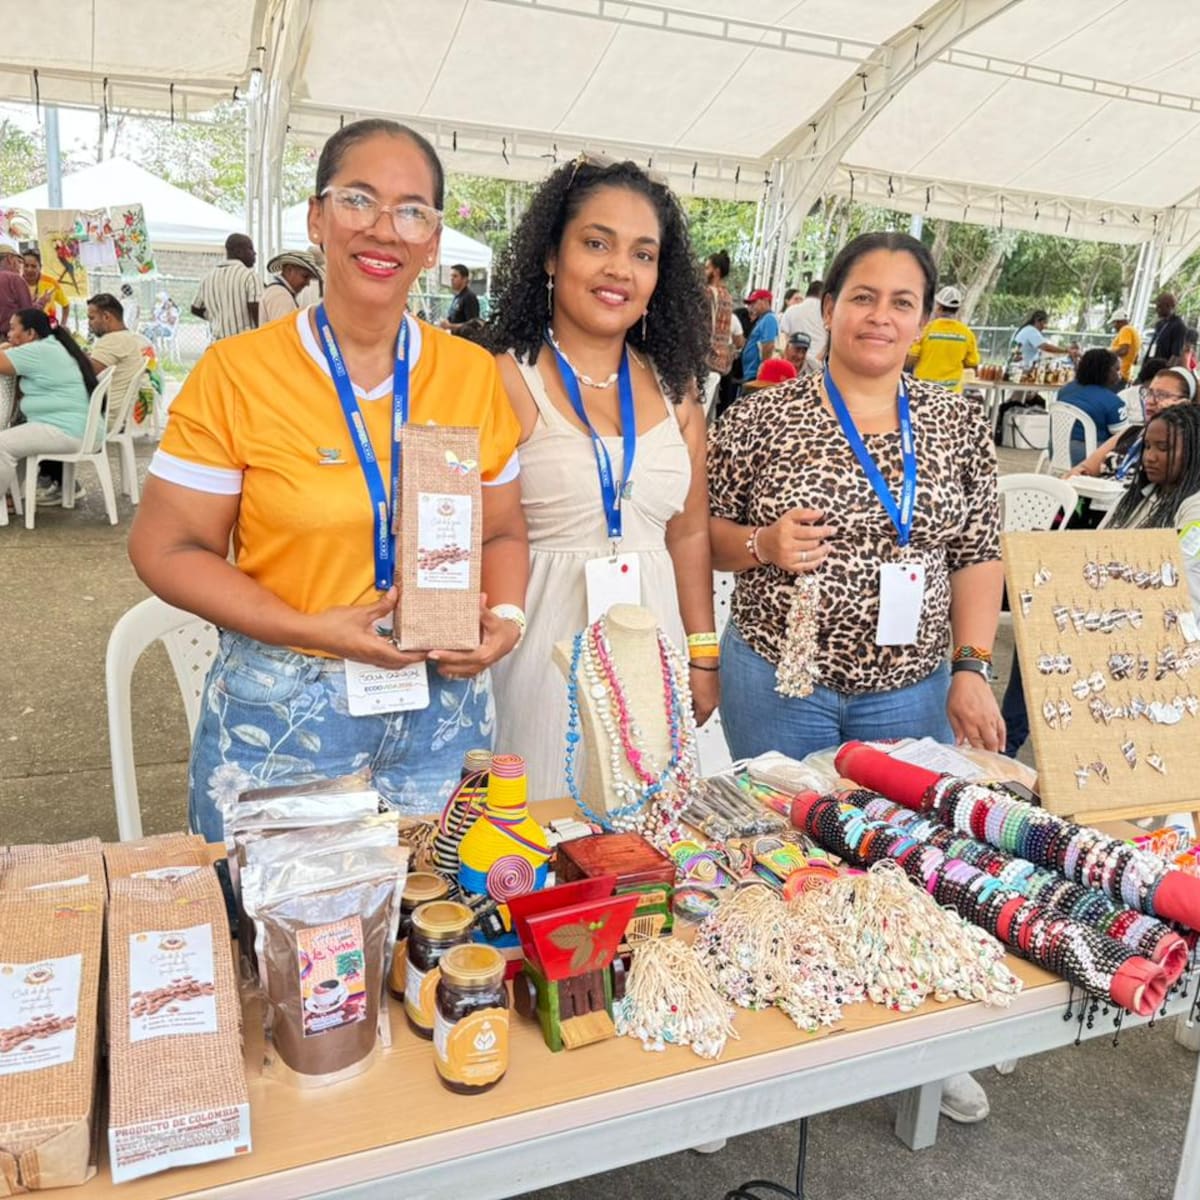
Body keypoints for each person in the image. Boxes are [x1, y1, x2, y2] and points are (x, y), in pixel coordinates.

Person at [129, 118, 528, 841]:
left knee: (440, 904)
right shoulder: (237, 374)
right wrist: (311, 628)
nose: (384, 229)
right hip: (286, 708)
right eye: (358, 200)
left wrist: (505, 619)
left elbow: (501, 531)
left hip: (442, 709)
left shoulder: (471, 374)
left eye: (412, 211)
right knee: (279, 912)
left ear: (433, 242)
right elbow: (167, 548)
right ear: (317, 218)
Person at [709, 231, 1002, 1124]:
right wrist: (761, 544)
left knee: (906, 861)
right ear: (828, 307)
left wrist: (971, 667)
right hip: (777, 678)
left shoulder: (954, 423)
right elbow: (701, 534)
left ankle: (924, 1047)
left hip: (908, 687)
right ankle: (763, 1049)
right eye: (863, 297)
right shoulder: (762, 415)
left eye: (901, 301)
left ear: (923, 320)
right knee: (776, 857)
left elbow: (978, 551)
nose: (881, 316)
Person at [484, 154, 717, 802]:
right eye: (596, 243)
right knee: (542, 828)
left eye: (643, 254)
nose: (620, 269)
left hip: (654, 648)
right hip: (540, 648)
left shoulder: (676, 389)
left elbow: (690, 533)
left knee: (651, 835)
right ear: (551, 256)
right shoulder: (504, 378)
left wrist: (703, 653)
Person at [1109, 404, 1200, 618]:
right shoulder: (1140, 496)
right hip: (1127, 604)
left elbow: (1175, 567)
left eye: (1163, 448)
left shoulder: (1195, 507)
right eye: (1147, 447)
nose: (1149, 457)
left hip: (1174, 616)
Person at [0, 307, 99, 505]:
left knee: (2, 445)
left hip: (66, 430)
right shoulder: (52, 346)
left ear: (30, 333)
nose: (9, 334)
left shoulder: (39, 350)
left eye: (12, 328)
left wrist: (4, 347)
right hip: (76, 428)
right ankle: (11, 497)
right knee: (15, 436)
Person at [1070, 366, 1195, 481]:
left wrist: (1178, 415)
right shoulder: (1132, 432)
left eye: (1162, 395)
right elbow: (1086, 468)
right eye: (1149, 393)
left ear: (1184, 403)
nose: (1151, 401)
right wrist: (1075, 477)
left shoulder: (1183, 445)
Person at [1055, 348, 1126, 465]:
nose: (1120, 375)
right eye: (1117, 370)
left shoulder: (1064, 390)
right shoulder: (1113, 402)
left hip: (1057, 451)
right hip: (1089, 458)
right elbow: (1123, 437)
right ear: (1105, 371)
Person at [86, 292, 154, 415]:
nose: (89, 323)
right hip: (127, 414)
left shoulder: (112, 340)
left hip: (107, 417)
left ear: (106, 317)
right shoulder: (132, 338)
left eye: (92, 318)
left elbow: (86, 372)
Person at [905, 285, 980, 392]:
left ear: (939, 307)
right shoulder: (967, 333)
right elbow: (972, 364)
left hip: (924, 390)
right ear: (957, 309)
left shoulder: (926, 329)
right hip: (951, 393)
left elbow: (912, 358)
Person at [191, 234, 261, 340]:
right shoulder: (250, 276)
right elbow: (256, 309)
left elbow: (196, 308)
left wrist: (217, 319)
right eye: (250, 249)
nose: (254, 253)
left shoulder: (208, 277)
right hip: (244, 342)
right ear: (239, 252)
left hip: (218, 344)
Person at [702, 250, 737, 415]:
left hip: (705, 357)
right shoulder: (727, 296)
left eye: (707, 267)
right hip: (720, 361)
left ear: (716, 271)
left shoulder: (707, 293)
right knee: (710, 409)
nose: (704, 271)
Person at [260, 250, 323, 324]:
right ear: (289, 270)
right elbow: (284, 329)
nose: (308, 283)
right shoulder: (280, 294)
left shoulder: (279, 291)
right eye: (305, 276)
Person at [779, 279, 826, 372]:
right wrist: (816, 362)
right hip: (816, 367)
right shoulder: (828, 314)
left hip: (791, 364)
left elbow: (783, 338)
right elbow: (829, 344)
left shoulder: (791, 310)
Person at [740, 288, 778, 387]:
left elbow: (768, 345)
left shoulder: (769, 319)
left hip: (756, 374)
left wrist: (763, 372)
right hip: (750, 372)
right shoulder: (762, 319)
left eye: (754, 302)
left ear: (765, 301)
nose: (751, 306)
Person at [20, 248, 69, 324]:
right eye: (26, 266)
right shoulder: (15, 284)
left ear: (40, 267)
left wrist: (63, 324)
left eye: (33, 266)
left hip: (48, 328)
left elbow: (66, 305)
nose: (29, 270)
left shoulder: (51, 283)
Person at [1147, 292, 1187, 367]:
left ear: (1169, 306)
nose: (1156, 309)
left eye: (1159, 306)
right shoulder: (1160, 324)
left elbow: (1175, 355)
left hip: (1162, 368)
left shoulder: (1179, 326)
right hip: (1150, 365)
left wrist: (1165, 371)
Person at [438, 263, 481, 333]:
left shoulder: (469, 297)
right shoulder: (457, 297)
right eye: (451, 276)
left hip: (464, 339)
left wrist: (450, 326)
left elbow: (473, 325)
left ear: (464, 279)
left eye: (455, 276)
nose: (451, 279)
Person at [0, 244, 33, 334]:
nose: (20, 267)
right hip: (10, 336)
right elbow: (28, 313)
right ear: (10, 259)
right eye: (19, 262)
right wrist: (42, 302)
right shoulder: (14, 278)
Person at [1109, 307, 1141, 383]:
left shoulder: (1125, 329)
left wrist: (1106, 353)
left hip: (1119, 374)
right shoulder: (1133, 331)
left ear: (1120, 322)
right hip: (1125, 375)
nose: (1114, 326)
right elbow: (1135, 359)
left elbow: (1123, 350)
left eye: (1114, 323)